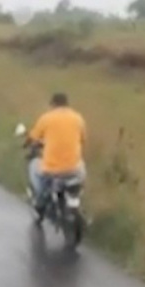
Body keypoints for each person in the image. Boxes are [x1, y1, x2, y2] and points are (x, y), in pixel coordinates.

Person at [24, 92, 86, 221]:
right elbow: (83, 139)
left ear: (52, 104)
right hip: (74, 168)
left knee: (35, 168)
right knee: (79, 173)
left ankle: (40, 204)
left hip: (52, 168)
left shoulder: (46, 118)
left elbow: (33, 137)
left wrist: (27, 143)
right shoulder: (78, 118)